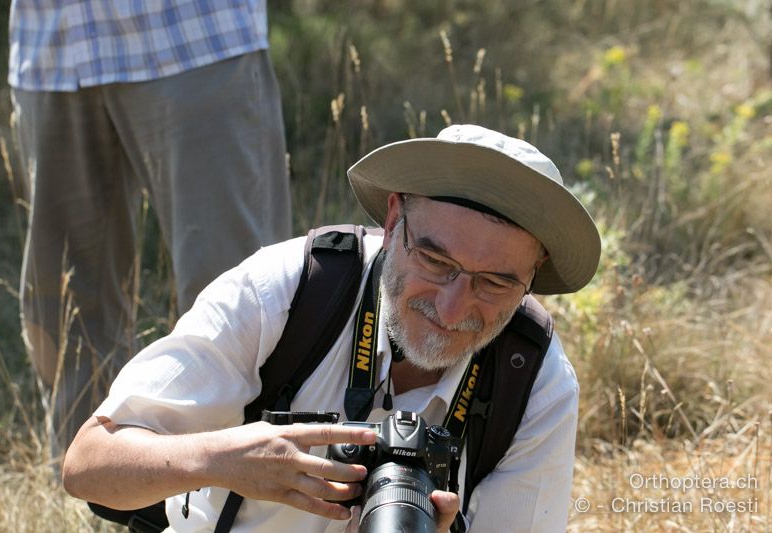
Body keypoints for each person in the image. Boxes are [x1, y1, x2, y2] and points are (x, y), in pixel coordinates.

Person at [62, 124, 602, 532]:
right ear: (393, 222)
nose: (455, 306)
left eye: (494, 283)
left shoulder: (533, 379)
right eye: (436, 262)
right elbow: (90, 465)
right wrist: (224, 460)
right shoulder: (286, 291)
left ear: (533, 277)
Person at [8, 0, 292, 454]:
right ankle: (90, 498)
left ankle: (244, 507)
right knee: (63, 300)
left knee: (239, 297)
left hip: (191, 33)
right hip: (54, 44)